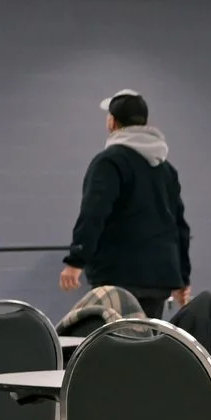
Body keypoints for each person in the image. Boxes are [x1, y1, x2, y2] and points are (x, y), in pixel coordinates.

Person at [59, 89, 191, 319]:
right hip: (160, 277)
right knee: (147, 344)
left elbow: (94, 213)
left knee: (116, 347)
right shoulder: (166, 169)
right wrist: (182, 277)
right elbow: (179, 225)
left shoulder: (109, 162)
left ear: (112, 122)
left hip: (118, 276)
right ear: (146, 122)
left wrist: (76, 261)